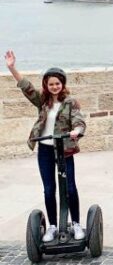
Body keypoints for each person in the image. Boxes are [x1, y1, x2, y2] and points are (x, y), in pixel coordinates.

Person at [5, 51, 86, 242]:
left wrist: (76, 130)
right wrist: (12, 68)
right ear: (46, 85)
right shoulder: (43, 100)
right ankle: (52, 226)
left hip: (64, 149)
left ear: (62, 84)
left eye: (57, 83)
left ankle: (75, 223)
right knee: (49, 189)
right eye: (51, 84)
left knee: (70, 188)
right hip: (45, 149)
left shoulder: (70, 102)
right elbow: (26, 88)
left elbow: (79, 120)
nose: (54, 87)